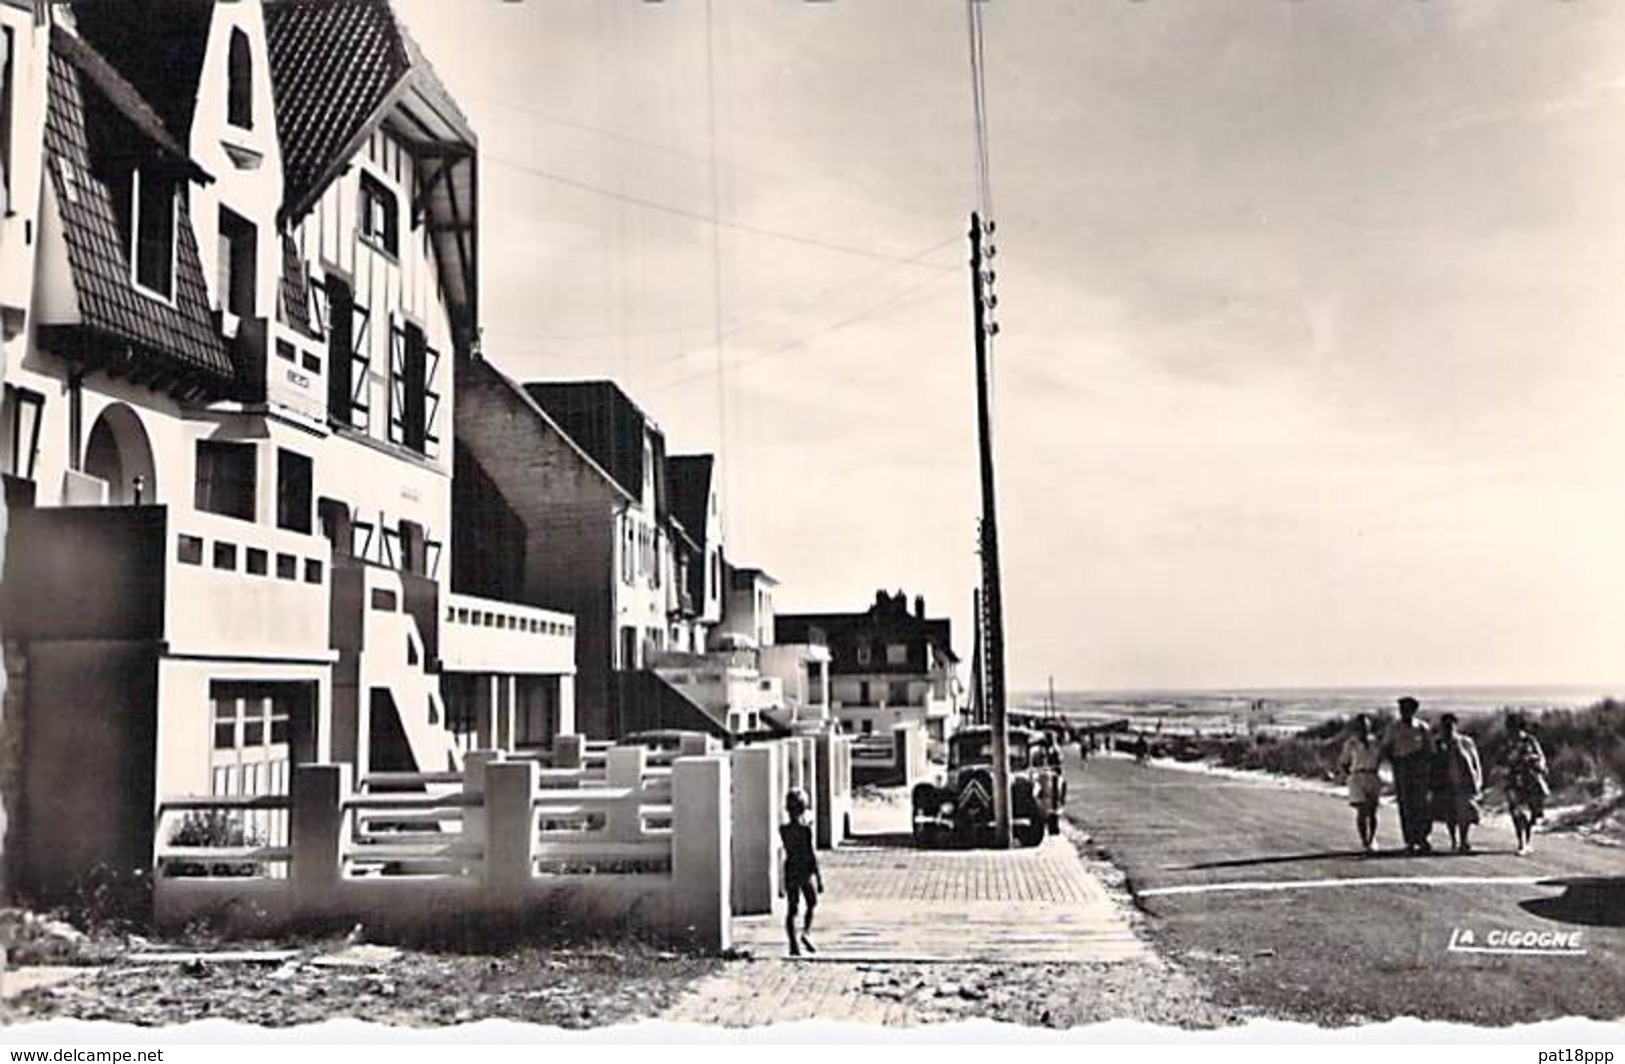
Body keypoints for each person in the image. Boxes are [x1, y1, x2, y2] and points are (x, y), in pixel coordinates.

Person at [1383, 696, 1434, 854]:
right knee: (1406, 806)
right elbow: (1387, 747)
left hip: (1419, 770)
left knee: (1422, 805)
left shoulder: (1421, 727)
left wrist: (1424, 765)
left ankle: (1423, 837)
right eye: (1401, 709)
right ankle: (1410, 840)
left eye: (1407, 709)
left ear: (1413, 710)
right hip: (1403, 769)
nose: (1403, 712)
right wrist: (1396, 763)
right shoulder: (1394, 728)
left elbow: (1429, 749)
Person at [1429, 713, 1483, 853]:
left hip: (1463, 782)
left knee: (1464, 813)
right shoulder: (1437, 743)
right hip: (1445, 783)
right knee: (1449, 813)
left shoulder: (1465, 742)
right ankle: (1454, 839)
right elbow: (1432, 763)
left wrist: (1477, 780)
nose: (1448, 728)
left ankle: (1463, 840)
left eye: (1451, 725)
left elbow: (1474, 762)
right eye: (1445, 725)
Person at [780, 787, 823, 956]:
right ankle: (806, 933)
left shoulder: (783, 830)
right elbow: (810, 853)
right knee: (811, 902)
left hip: (791, 866)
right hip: (804, 868)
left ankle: (793, 944)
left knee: (792, 908)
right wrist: (818, 877)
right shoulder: (806, 830)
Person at [1502, 714, 1550, 856]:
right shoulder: (1507, 744)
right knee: (1517, 812)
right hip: (1513, 781)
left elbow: (1541, 758)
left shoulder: (1530, 741)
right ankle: (1522, 842)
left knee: (1533, 813)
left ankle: (1527, 838)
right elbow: (1501, 761)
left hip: (1530, 780)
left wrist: (1535, 761)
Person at [1339, 714, 1384, 853]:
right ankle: (1365, 841)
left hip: (1372, 775)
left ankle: (1372, 838)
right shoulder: (1351, 743)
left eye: (1366, 726)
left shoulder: (1375, 742)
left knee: (1372, 811)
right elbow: (1344, 762)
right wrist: (1350, 775)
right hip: (1358, 775)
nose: (1363, 729)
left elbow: (1381, 757)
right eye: (1360, 726)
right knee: (1362, 810)